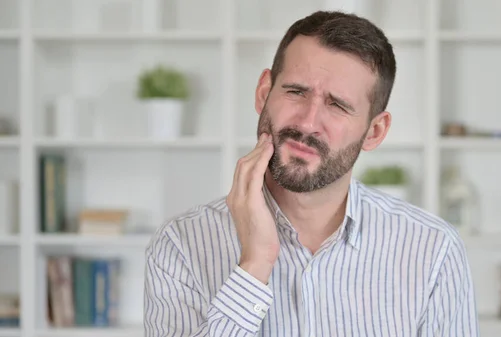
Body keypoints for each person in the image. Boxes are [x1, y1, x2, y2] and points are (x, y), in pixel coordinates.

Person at [143, 10, 479, 337]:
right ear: (264, 93)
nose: (307, 122)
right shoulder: (181, 244)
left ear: (375, 131)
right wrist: (255, 264)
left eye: (337, 105)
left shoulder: (434, 250)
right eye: (296, 91)